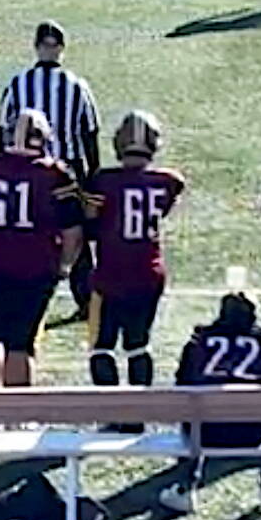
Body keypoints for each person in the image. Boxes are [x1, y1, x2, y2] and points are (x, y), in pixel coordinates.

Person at [0, 110, 82, 387]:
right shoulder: (54, 175)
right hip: (34, 267)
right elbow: (72, 231)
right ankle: (17, 415)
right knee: (20, 344)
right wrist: (64, 264)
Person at [0, 20, 102, 312]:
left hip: (27, 174)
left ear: (37, 47)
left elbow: (2, 131)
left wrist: (0, 170)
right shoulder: (77, 85)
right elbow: (90, 133)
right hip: (66, 173)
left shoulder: (18, 84)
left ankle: (19, 294)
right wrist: (93, 178)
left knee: (28, 234)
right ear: (61, 49)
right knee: (75, 239)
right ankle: (85, 299)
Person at [81, 111, 182, 396]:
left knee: (102, 345)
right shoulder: (167, 181)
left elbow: (90, 218)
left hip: (111, 271)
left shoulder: (103, 181)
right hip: (149, 271)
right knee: (138, 343)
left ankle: (112, 412)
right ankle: (139, 412)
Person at [156, 293, 261, 514]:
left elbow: (182, 383)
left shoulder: (198, 343)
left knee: (192, 412)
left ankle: (185, 489)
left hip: (206, 433)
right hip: (253, 434)